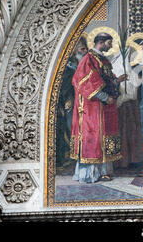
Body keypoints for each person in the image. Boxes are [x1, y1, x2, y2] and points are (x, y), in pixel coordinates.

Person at [70, 32, 127, 183]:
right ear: (100, 42)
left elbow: (107, 81)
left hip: (104, 108)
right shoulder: (88, 59)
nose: (111, 45)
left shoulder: (103, 60)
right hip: (92, 107)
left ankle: (103, 172)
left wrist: (117, 81)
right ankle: (89, 174)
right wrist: (104, 97)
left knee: (104, 138)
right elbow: (86, 84)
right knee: (93, 139)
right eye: (109, 43)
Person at [56, 36, 88, 170]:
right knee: (69, 128)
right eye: (79, 46)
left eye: (83, 46)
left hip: (82, 101)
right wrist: (66, 99)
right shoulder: (66, 63)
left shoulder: (80, 61)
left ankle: (80, 156)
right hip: (67, 101)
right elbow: (63, 84)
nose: (81, 49)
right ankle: (68, 156)